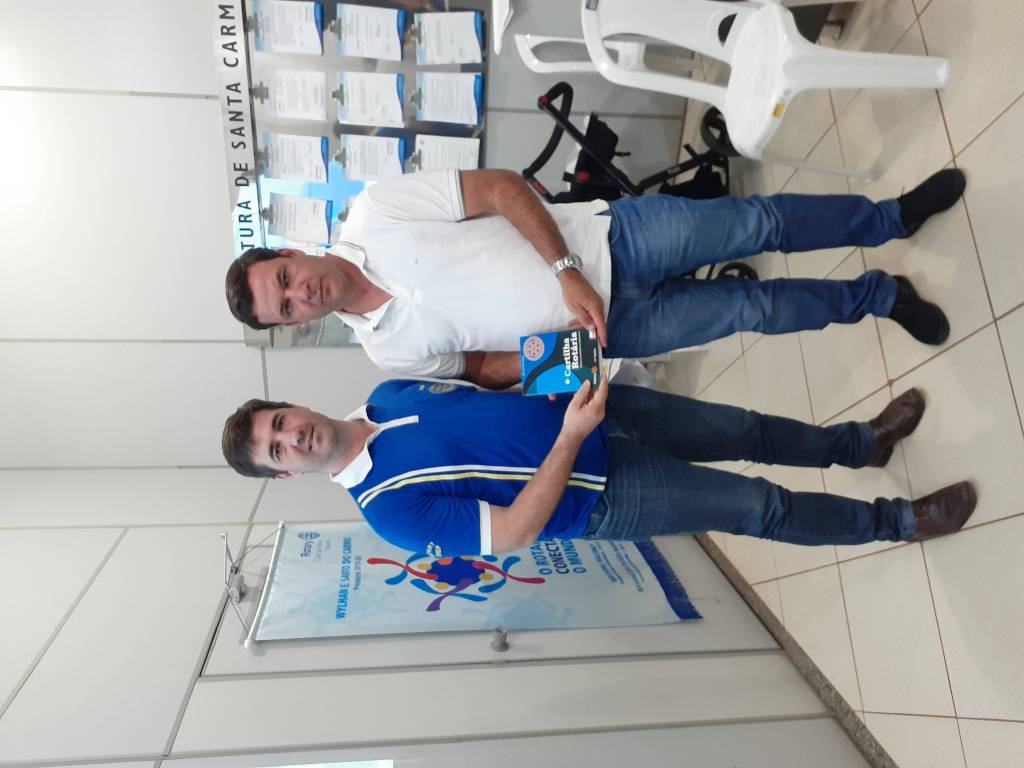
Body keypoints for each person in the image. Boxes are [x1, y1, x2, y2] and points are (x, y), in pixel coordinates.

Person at [225, 167, 965, 389]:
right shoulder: (384, 351)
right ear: (294, 325)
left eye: (284, 277)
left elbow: (500, 189)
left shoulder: (375, 211)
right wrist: (572, 359)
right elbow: (479, 367)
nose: (299, 293)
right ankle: (881, 297)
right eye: (285, 308)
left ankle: (890, 218)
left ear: (291, 251)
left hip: (614, 241)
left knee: (758, 224)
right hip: (614, 330)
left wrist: (564, 271)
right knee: (755, 310)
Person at [220, 379, 976, 557]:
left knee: (744, 428)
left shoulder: (388, 393)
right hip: (609, 493)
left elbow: (492, 389)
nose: (293, 438)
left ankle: (860, 444)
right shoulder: (388, 511)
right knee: (758, 505)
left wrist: (558, 368)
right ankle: (898, 523)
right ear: (285, 475)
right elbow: (515, 532)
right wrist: (568, 439)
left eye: (280, 422)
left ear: (291, 406)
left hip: (604, 411)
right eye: (276, 450)